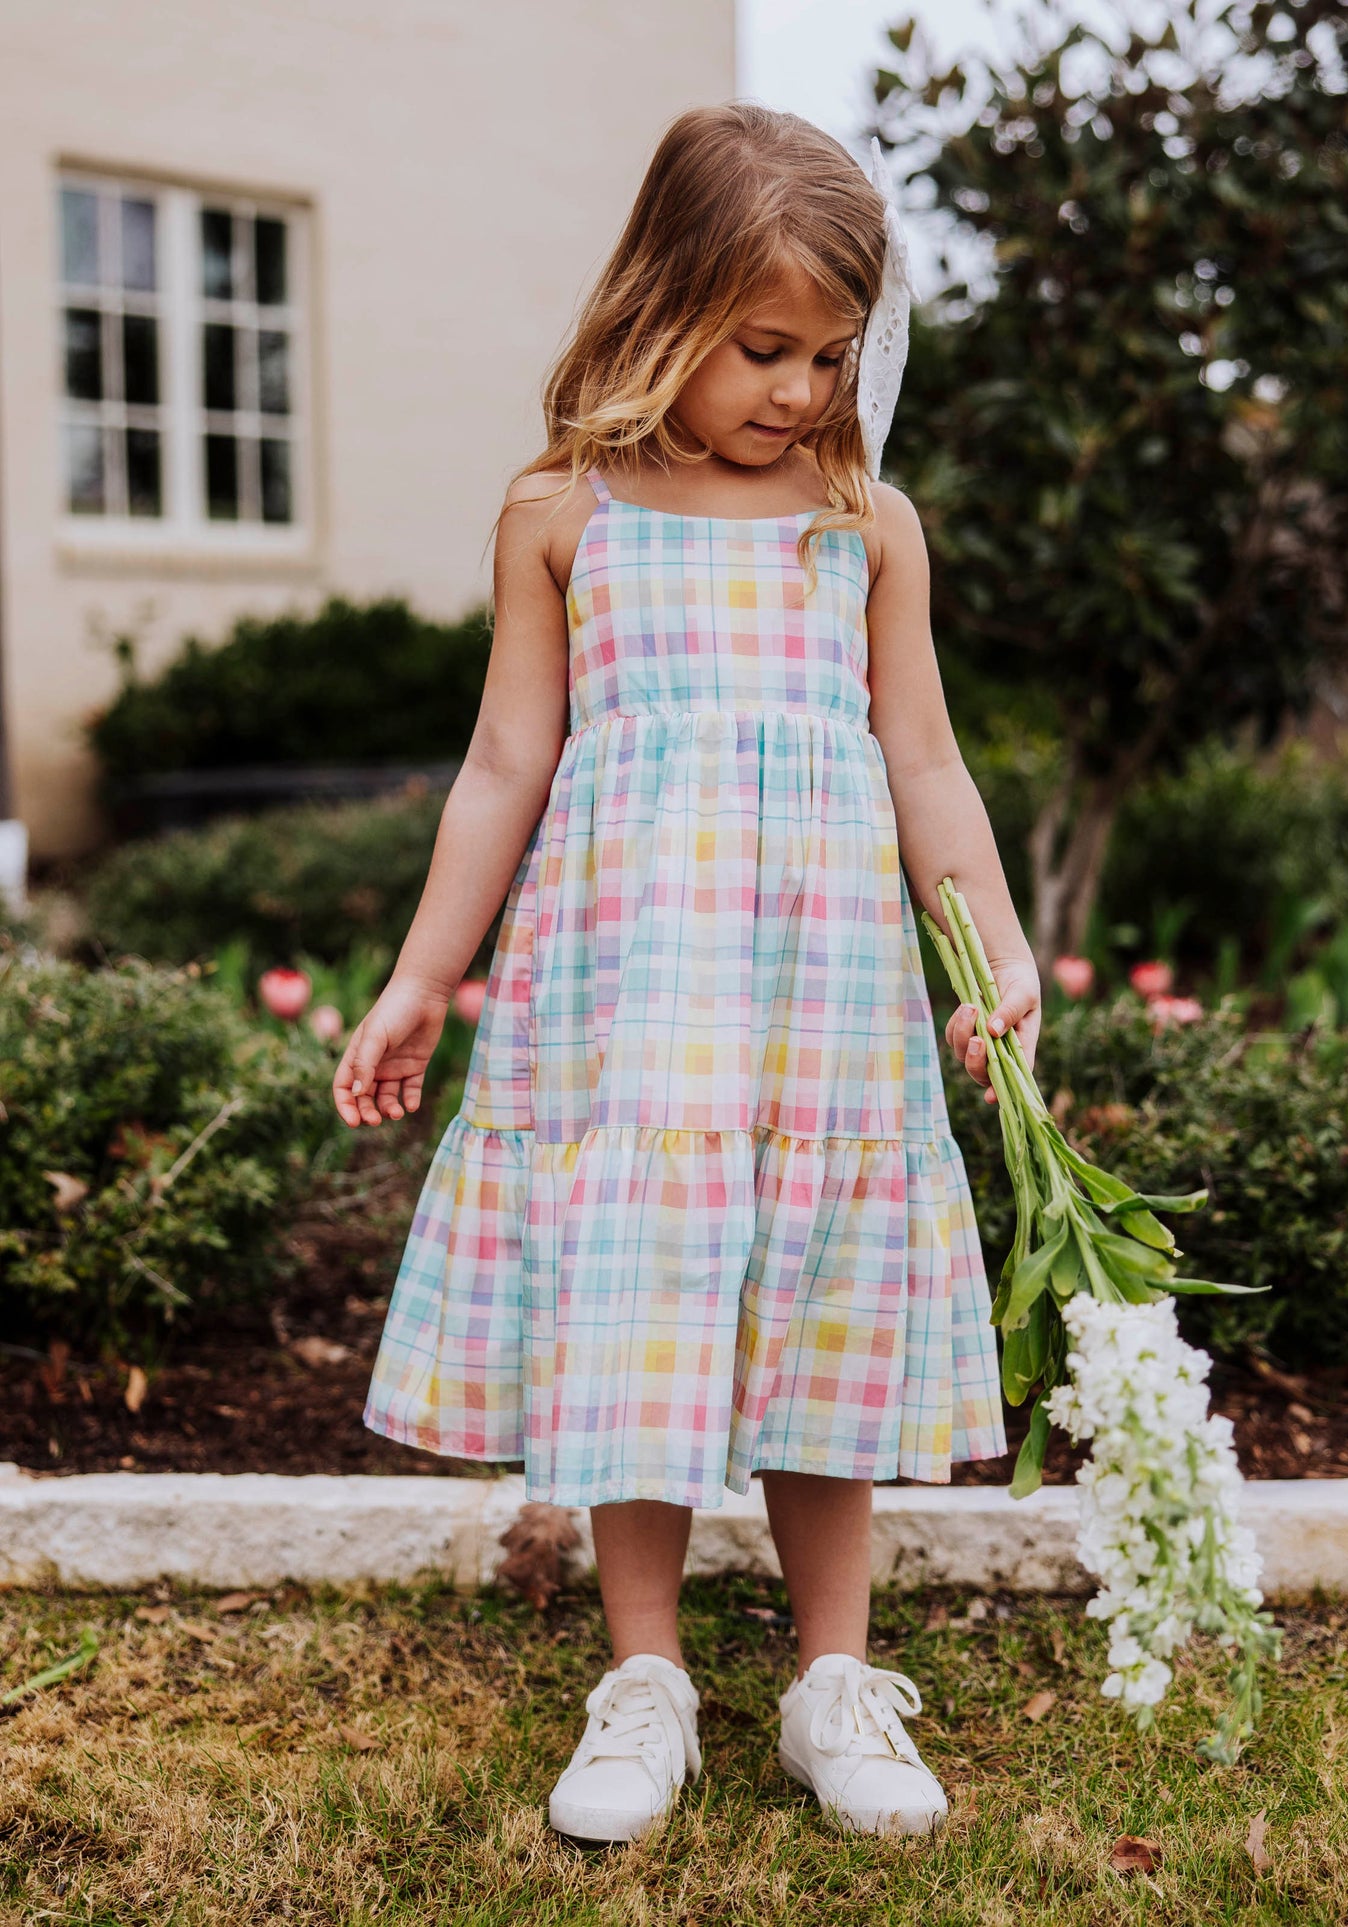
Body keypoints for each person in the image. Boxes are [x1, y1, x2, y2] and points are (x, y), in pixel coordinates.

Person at [333, 102, 1042, 1847]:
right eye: (762, 347)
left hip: (822, 1007)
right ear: (660, 304)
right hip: (625, 1006)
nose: (800, 390)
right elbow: (504, 765)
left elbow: (926, 762)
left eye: (830, 352)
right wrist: (423, 977)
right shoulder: (561, 516)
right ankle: (643, 1679)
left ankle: (827, 1685)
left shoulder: (866, 528)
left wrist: (996, 945)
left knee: (823, 1306)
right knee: (635, 1320)